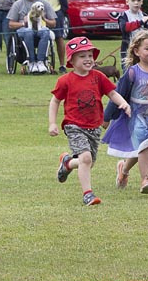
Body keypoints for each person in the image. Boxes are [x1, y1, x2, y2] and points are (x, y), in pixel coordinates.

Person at [49, 37, 131, 206]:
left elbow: (112, 93)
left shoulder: (98, 77)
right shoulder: (65, 80)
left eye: (90, 55)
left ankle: (67, 163)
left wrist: (123, 103)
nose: (88, 59)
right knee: (86, 158)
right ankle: (88, 194)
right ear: (71, 60)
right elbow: (55, 101)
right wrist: (52, 123)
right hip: (74, 125)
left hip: (94, 126)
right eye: (82, 56)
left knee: (88, 162)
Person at [102, 30, 148, 194]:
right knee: (145, 145)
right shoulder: (132, 73)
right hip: (135, 115)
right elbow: (117, 95)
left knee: (144, 147)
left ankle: (123, 170)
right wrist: (106, 117)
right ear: (137, 51)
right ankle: (146, 179)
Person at [7, 0, 56, 73]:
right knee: (28, 31)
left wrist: (44, 19)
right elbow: (11, 24)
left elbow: (53, 23)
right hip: (24, 30)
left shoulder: (44, 3)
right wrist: (23, 23)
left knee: (45, 31)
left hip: (40, 29)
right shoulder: (18, 4)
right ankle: (31, 61)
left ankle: (41, 61)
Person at [117, 0, 148, 70]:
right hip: (127, 49)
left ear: (142, 2)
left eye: (138, 0)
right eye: (133, 0)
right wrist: (140, 22)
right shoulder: (124, 15)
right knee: (128, 71)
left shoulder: (143, 15)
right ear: (127, 2)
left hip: (142, 49)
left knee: (143, 70)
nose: (136, 3)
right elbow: (124, 28)